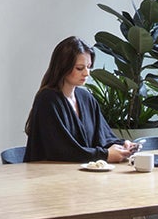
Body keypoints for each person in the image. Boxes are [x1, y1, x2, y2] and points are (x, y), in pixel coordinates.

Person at [23, 36, 139, 164]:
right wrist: (105, 155)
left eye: (89, 67)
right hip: (50, 176)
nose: (86, 73)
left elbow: (103, 137)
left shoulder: (86, 98)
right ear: (63, 67)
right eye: (79, 68)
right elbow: (62, 151)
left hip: (82, 175)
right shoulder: (47, 100)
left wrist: (122, 145)